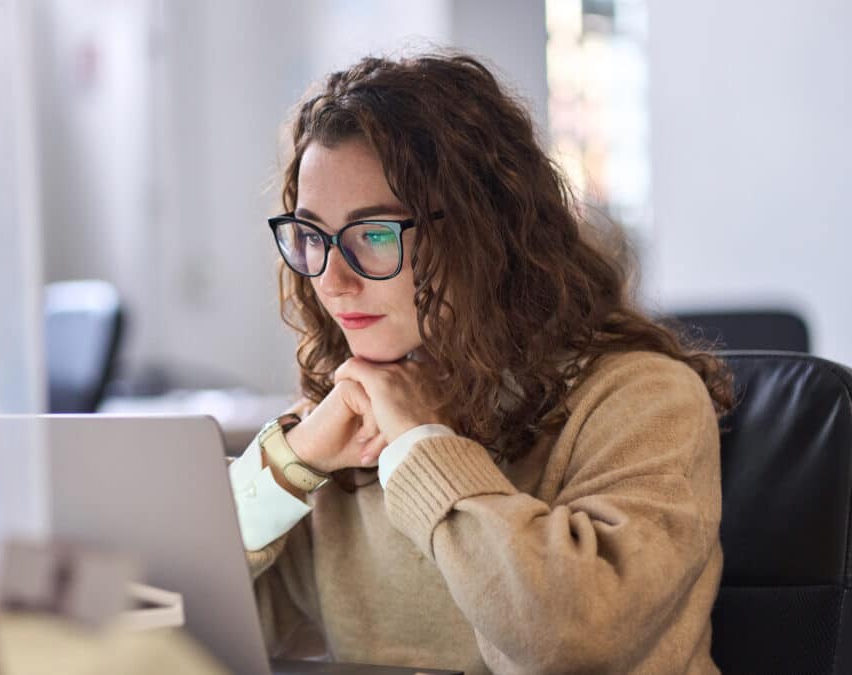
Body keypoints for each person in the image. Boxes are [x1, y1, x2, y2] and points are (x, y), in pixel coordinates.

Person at [227, 52, 732, 675]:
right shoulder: (343, 422)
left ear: (483, 233)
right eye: (311, 235)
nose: (331, 280)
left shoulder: (645, 400)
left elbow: (565, 638)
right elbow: (172, 624)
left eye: (375, 234)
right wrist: (289, 466)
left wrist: (422, 444)